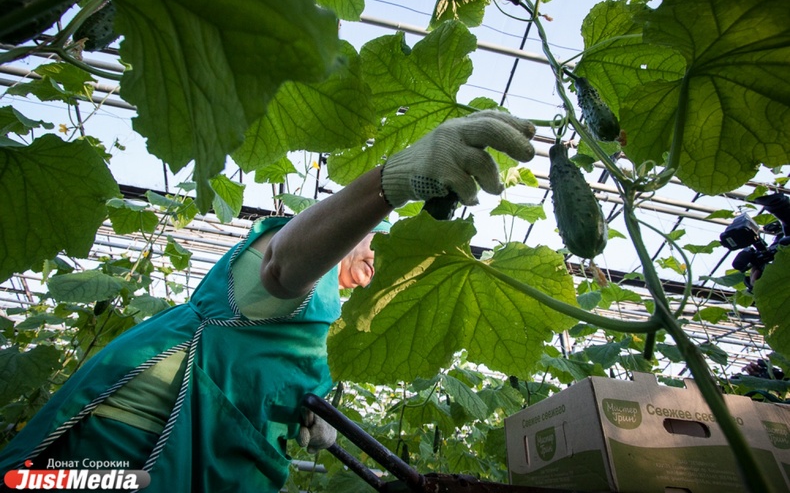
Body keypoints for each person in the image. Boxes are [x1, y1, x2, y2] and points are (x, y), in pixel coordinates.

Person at [0, 110, 536, 492]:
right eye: (377, 246)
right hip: (128, 449)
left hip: (216, 469)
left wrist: (303, 416)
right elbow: (283, 263)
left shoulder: (330, 326)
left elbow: (268, 377)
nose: (379, 264)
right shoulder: (300, 272)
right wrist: (392, 184)